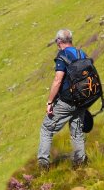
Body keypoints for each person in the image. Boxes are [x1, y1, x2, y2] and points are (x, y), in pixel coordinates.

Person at [37, 28, 87, 168]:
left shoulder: (63, 55)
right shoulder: (81, 53)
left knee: (46, 129)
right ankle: (81, 164)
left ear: (59, 41)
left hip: (67, 101)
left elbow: (58, 80)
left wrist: (50, 101)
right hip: (82, 100)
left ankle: (43, 165)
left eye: (56, 42)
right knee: (76, 132)